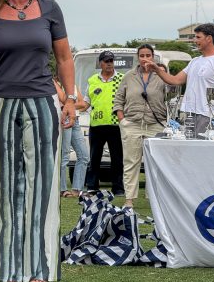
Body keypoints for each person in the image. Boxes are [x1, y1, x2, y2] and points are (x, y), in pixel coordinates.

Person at [0, 0, 75, 282]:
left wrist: (70, 99)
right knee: (1, 184)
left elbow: (64, 58)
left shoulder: (50, 9)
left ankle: (41, 267)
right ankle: (5, 267)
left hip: (43, 101)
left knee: (43, 185)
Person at [144, 24, 214, 137]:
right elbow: (175, 80)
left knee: (202, 147)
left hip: (208, 116)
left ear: (209, 38)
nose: (195, 40)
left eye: (198, 37)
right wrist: (157, 69)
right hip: (189, 114)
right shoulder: (194, 61)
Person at [113, 44, 166, 209]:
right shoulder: (129, 76)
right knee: (131, 162)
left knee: (156, 163)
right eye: (142, 55)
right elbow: (118, 99)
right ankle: (129, 199)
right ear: (138, 57)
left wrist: (159, 71)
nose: (145, 59)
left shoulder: (160, 75)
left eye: (148, 55)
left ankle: (154, 198)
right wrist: (122, 120)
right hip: (132, 123)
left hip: (156, 124)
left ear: (153, 57)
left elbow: (172, 93)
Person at [81, 50, 125, 196]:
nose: (109, 64)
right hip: (96, 125)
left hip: (115, 125)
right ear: (100, 63)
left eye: (111, 61)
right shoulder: (92, 80)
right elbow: (86, 103)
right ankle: (92, 186)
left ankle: (118, 188)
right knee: (94, 158)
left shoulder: (122, 78)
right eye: (106, 61)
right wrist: (70, 107)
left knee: (117, 158)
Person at [54, 79, 89, 198]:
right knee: (64, 155)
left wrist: (68, 105)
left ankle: (77, 189)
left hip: (75, 120)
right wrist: (69, 104)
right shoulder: (53, 82)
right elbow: (64, 100)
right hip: (65, 119)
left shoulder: (71, 83)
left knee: (84, 156)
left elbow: (83, 104)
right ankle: (62, 189)